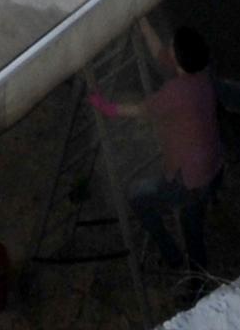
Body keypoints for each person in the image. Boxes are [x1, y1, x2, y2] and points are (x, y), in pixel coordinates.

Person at [87, 22, 225, 279]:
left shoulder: (175, 92)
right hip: (212, 167)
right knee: (191, 220)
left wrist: (107, 108)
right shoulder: (201, 76)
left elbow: (142, 109)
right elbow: (161, 55)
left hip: (191, 181)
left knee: (139, 199)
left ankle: (182, 266)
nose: (169, 46)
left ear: (179, 58)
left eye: (173, 45)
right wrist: (144, 23)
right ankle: (194, 272)